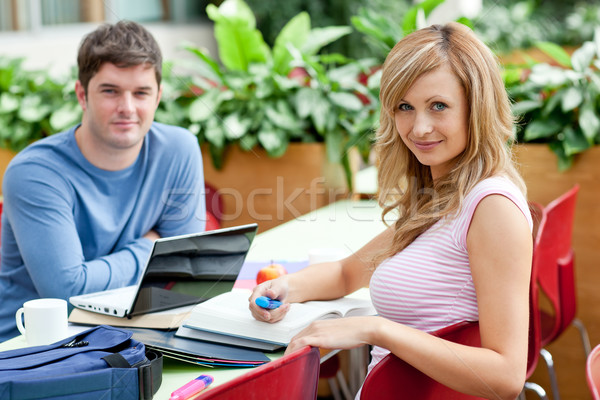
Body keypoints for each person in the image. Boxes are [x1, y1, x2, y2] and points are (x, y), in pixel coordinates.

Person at [249, 22, 533, 399]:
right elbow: (346, 272)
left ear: (476, 108)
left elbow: (507, 376)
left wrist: (376, 330)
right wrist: (284, 287)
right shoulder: (440, 196)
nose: (419, 127)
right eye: (404, 107)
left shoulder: (491, 207)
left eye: (439, 106)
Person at [0, 20, 207, 341]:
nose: (127, 108)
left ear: (158, 96)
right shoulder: (35, 172)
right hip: (34, 348)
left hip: (133, 333)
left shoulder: (178, 149)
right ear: (82, 94)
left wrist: (170, 258)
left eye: (141, 93)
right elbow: (68, 292)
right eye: (110, 91)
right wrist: (151, 247)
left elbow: (188, 268)